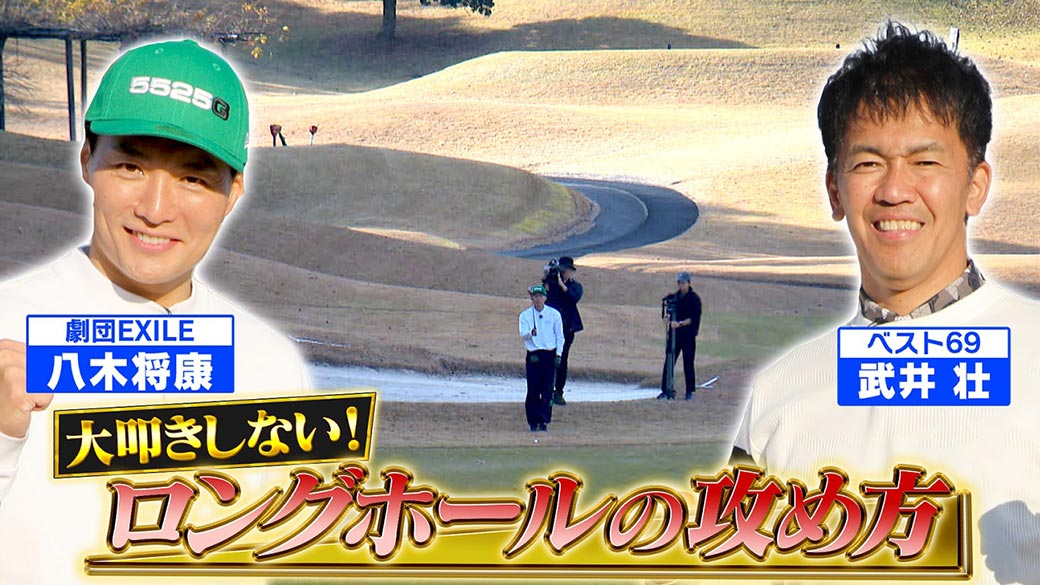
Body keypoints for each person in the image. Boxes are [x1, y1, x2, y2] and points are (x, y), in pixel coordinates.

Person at [731, 23, 1040, 581]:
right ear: (835, 190)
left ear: (975, 185)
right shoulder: (779, 394)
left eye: (925, 162)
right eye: (868, 163)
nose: (895, 190)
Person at [0, 39, 311, 584]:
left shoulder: (270, 367)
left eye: (193, 178)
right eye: (130, 166)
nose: (155, 209)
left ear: (234, 192)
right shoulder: (8, 324)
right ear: (87, 161)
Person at [519, 284, 563, 432]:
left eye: (540, 296)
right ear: (532, 298)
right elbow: (523, 334)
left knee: (548, 389)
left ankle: (543, 420)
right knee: (533, 389)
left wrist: (558, 354)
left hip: (550, 354)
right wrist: (531, 333)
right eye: (535, 296)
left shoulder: (554, 314)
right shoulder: (525, 315)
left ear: (545, 298)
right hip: (534, 355)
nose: (538, 299)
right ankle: (533, 421)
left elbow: (560, 336)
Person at [542, 256, 583, 405]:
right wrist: (547, 281)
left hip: (567, 328)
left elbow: (573, 298)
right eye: (563, 270)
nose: (565, 272)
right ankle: (547, 390)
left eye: (567, 270)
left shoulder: (575, 286)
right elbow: (544, 299)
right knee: (547, 357)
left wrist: (562, 285)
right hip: (551, 327)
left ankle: (559, 391)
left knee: (562, 359)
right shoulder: (552, 284)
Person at [657, 271, 702, 400]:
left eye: (683, 283)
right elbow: (668, 312)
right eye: (679, 283)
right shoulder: (675, 297)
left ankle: (689, 391)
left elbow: (693, 318)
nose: (681, 285)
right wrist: (667, 319)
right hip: (674, 336)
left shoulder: (694, 299)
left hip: (688, 336)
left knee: (688, 363)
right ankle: (666, 390)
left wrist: (679, 324)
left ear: (688, 283)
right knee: (669, 361)